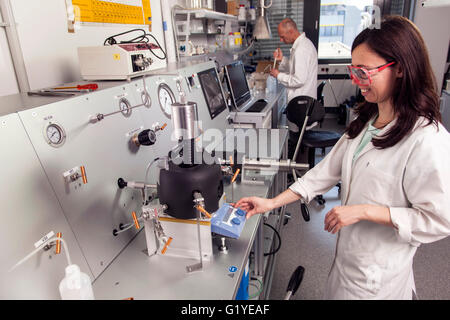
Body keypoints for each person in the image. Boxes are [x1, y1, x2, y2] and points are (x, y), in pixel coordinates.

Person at [235, 16, 450, 299]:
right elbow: (324, 172)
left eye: (363, 71)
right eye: (353, 69)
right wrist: (272, 202)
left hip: (377, 279)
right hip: (347, 264)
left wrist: (364, 211)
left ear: (399, 69)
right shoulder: (368, 120)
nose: (354, 79)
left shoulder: (427, 138)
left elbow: (439, 219)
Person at [270, 18, 318, 134]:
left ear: (291, 32)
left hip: (302, 106)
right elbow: (295, 69)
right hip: (303, 103)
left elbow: (299, 80)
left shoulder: (302, 49)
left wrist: (278, 75)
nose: (281, 40)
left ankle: (295, 151)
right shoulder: (302, 45)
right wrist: (282, 60)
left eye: (282, 36)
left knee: (296, 137)